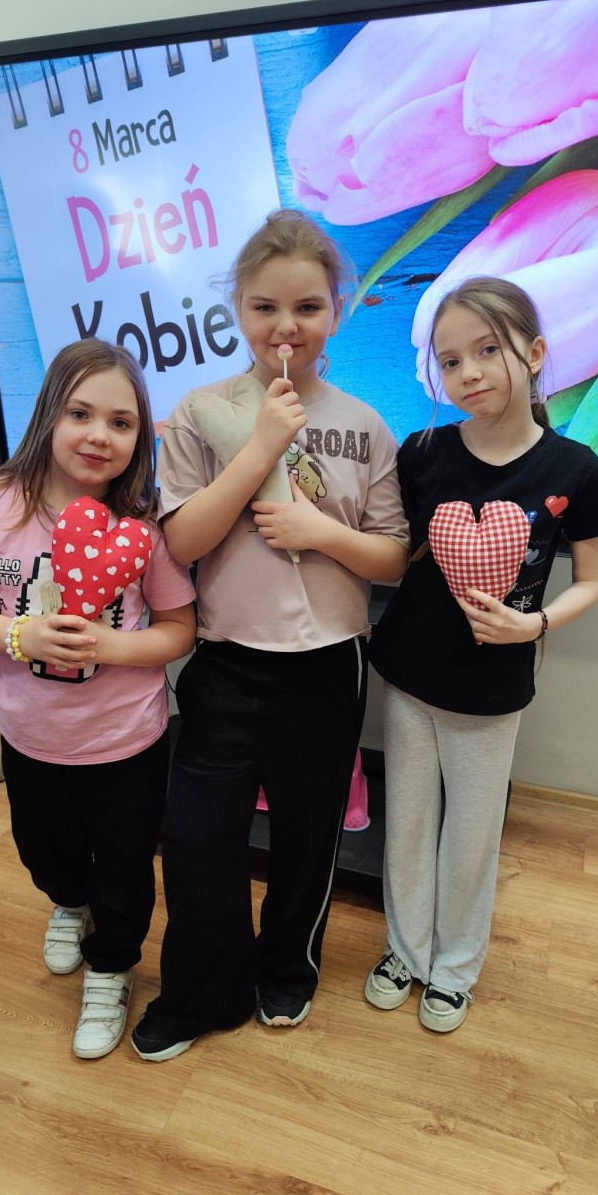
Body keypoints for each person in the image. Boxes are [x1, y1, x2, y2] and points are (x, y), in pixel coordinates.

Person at [131, 208, 409, 1062]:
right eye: (264, 307)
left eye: (307, 307)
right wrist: (260, 449)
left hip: (327, 669)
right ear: (238, 311)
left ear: (337, 312)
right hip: (225, 663)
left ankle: (288, 969)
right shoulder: (201, 412)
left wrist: (320, 532)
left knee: (306, 836)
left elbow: (393, 558)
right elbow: (182, 542)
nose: (286, 326)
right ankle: (199, 991)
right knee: (196, 837)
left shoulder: (365, 425)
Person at [0, 339, 196, 1060]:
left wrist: (109, 645)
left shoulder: (144, 526)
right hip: (27, 738)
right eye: (81, 413)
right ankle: (67, 901)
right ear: (49, 412)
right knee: (44, 853)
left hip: (126, 744)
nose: (98, 434)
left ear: (139, 439)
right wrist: (17, 634)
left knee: (126, 872)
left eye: (121, 422)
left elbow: (179, 628)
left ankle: (111, 969)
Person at [366, 276, 598, 1033]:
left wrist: (535, 627)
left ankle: (455, 967)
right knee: (406, 824)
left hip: (492, 690)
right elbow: (395, 552)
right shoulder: (422, 452)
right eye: (449, 360)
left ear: (534, 353)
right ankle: (406, 949)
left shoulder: (575, 468)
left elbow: (592, 579)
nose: (467, 373)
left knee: (470, 835)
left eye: (487, 350)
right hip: (408, 674)